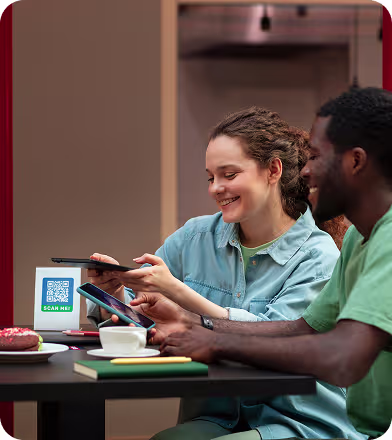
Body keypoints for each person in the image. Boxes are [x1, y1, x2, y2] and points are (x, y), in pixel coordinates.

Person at [87, 107, 362, 439]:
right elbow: (144, 315)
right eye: (210, 177)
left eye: (229, 175)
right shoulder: (194, 238)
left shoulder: (318, 257)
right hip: (216, 414)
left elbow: (281, 339)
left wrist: (180, 297)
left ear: (273, 170)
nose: (216, 188)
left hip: (298, 420)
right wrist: (115, 294)